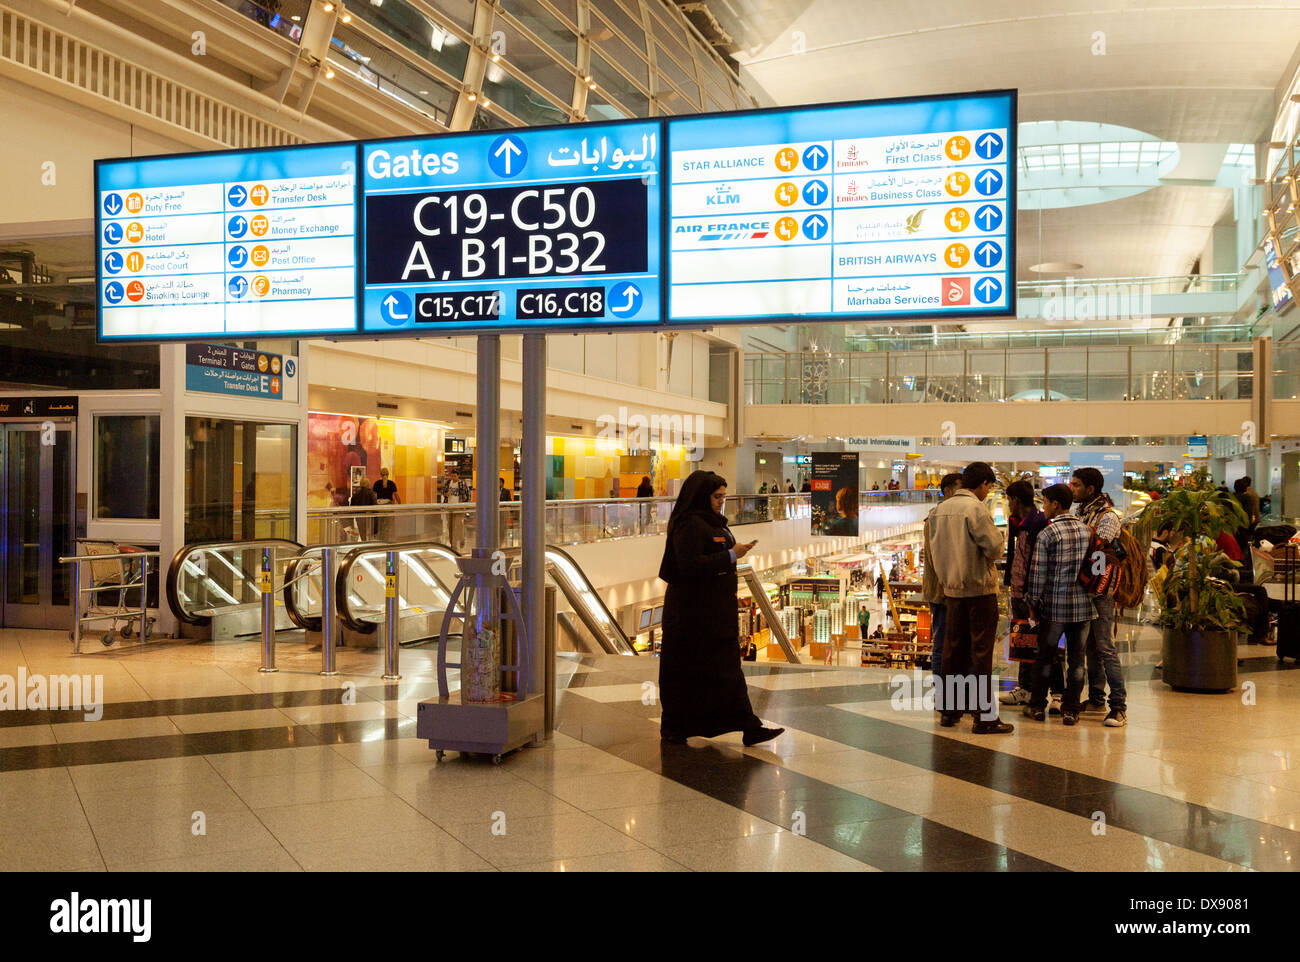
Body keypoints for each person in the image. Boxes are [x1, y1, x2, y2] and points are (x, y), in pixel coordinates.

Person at [656, 470, 783, 747]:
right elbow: (689, 565)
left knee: (727, 671)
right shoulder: (689, 524)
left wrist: (733, 551)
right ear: (702, 496)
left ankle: (748, 725)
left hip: (714, 616)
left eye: (723, 497)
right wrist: (730, 555)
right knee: (685, 673)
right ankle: (676, 728)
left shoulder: (713, 523)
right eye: (717, 496)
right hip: (692, 618)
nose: (721, 502)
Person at [927, 461, 1012, 733]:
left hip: (950, 591)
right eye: (988, 486)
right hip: (978, 591)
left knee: (952, 650)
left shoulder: (940, 510)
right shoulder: (975, 508)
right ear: (984, 484)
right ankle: (984, 716)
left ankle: (950, 712)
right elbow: (995, 548)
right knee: (980, 654)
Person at [1022, 484, 1095, 725]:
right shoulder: (1087, 531)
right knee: (1077, 662)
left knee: (1045, 658)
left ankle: (1037, 706)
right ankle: (1071, 709)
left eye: (1044, 502)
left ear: (1055, 504)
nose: (1043, 507)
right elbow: (1097, 568)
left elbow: (1037, 574)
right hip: (1083, 607)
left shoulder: (1048, 534)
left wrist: (1032, 602)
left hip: (1054, 607)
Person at [998, 480, 1065, 711]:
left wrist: (1033, 595)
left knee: (1047, 645)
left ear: (1016, 500)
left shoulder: (1039, 525)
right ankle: (1024, 689)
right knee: (1023, 642)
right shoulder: (1019, 523)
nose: (1008, 505)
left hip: (1033, 596)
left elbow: (1038, 564)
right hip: (1018, 593)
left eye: (1009, 500)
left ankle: (1057, 693)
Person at [1071, 467, 1127, 728]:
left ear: (1090, 489)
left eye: (1077, 485)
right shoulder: (1079, 512)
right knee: (1089, 646)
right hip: (1082, 588)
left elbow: (1096, 548)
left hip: (1100, 589)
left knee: (1104, 646)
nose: (1073, 489)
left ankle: (1119, 706)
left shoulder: (1108, 516)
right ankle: (1096, 698)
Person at [921, 472, 964, 714]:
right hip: (942, 591)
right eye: (958, 489)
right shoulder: (938, 517)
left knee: (947, 641)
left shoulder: (939, 516)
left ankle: (949, 693)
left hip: (944, 589)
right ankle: (942, 694)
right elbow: (940, 558)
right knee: (942, 642)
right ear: (947, 490)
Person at [350, 475, 378, 540]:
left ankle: (364, 543)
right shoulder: (371, 493)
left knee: (363, 536)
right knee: (370, 536)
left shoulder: (356, 494)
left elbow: (351, 507)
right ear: (368, 484)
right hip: (370, 518)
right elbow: (375, 506)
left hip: (359, 518)